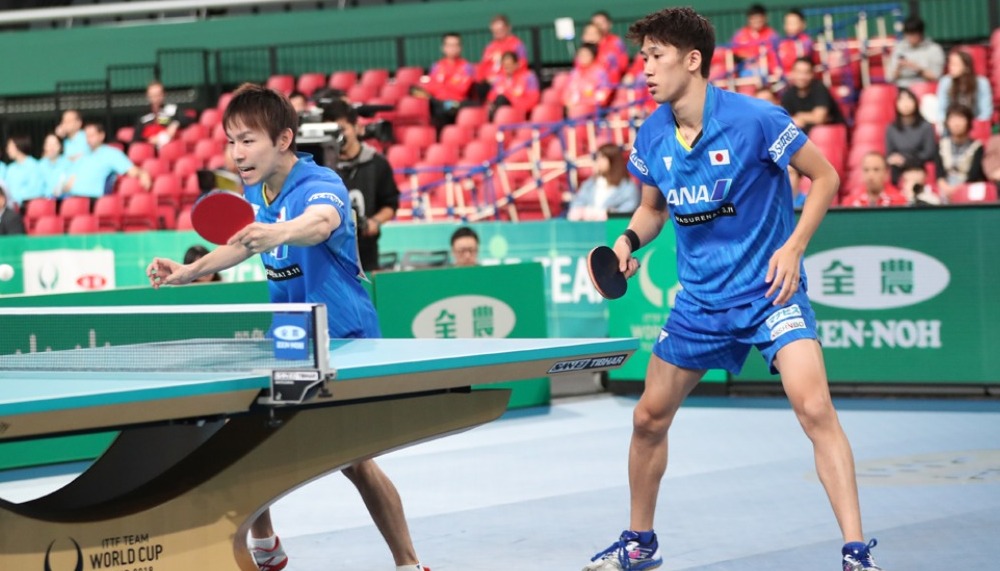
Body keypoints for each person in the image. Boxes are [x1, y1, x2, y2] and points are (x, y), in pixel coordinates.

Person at [583, 8, 884, 571]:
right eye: (643, 58)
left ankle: (855, 552)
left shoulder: (756, 119)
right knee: (648, 418)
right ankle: (639, 542)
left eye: (656, 57)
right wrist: (627, 241)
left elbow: (825, 176)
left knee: (814, 407)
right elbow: (653, 210)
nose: (645, 69)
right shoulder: (652, 133)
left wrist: (794, 246)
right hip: (699, 303)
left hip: (770, 292)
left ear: (693, 60)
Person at [146, 83, 428, 571]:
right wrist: (189, 271)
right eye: (231, 141)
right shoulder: (255, 191)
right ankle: (265, 544)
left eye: (248, 140)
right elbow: (242, 243)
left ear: (283, 139)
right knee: (245, 437)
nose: (237, 152)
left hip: (343, 339)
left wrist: (277, 231)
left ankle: (408, 563)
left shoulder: (320, 183)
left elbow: (320, 223)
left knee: (354, 460)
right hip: (293, 339)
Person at [323, 99, 400, 273]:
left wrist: (375, 222)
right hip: (326, 255)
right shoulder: (320, 167)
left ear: (357, 127)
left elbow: (390, 203)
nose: (338, 137)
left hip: (366, 255)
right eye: (331, 131)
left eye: (342, 129)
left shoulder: (377, 163)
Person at [63, 123, 151, 200]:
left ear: (101, 136)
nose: (88, 139)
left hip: (93, 199)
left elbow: (131, 170)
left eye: (92, 135)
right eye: (87, 136)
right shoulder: (82, 155)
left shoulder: (111, 153)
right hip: (72, 197)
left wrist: (143, 173)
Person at [418, 32, 476, 129]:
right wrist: (449, 83)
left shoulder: (467, 67)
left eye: (455, 45)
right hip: (439, 106)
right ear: (443, 48)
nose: (452, 48)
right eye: (449, 45)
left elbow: (462, 89)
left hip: (459, 106)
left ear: (460, 48)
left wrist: (443, 84)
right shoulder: (436, 66)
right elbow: (431, 88)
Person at [567, 143, 639, 220]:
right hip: (589, 226)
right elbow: (576, 205)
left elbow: (627, 211)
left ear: (613, 160)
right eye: (597, 157)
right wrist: (584, 213)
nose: (598, 161)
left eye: (602, 157)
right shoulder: (589, 184)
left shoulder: (628, 188)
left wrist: (607, 214)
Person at [885, 87, 937, 185]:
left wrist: (906, 160)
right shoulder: (891, 128)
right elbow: (889, 154)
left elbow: (929, 153)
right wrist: (895, 159)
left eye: (909, 99)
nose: (905, 103)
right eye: (901, 99)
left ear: (915, 102)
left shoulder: (926, 126)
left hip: (918, 166)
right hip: (897, 169)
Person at [935, 103, 986, 201]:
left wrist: (956, 190)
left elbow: (973, 175)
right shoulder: (941, 145)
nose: (957, 123)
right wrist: (946, 188)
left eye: (961, 118)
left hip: (967, 191)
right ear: (947, 122)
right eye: (953, 119)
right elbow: (939, 173)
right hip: (944, 189)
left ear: (968, 122)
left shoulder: (977, 147)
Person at [780, 56, 844, 133]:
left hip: (830, 132)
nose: (802, 77)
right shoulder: (788, 94)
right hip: (805, 135)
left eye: (806, 73)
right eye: (798, 72)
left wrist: (799, 116)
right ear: (792, 73)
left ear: (812, 74)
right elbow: (784, 120)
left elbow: (819, 118)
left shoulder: (819, 88)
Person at [474, 14, 528, 99]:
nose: (497, 33)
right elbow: (483, 66)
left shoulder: (517, 45)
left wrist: (500, 78)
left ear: (508, 28)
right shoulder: (490, 47)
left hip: (508, 83)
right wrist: (484, 79)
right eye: (495, 31)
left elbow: (522, 65)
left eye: (500, 30)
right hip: (488, 83)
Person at [936, 50, 993, 126]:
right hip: (951, 123)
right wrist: (949, 123)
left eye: (955, 64)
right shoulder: (945, 82)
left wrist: (975, 124)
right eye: (950, 63)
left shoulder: (982, 83)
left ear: (966, 67)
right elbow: (941, 108)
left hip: (974, 122)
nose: (950, 67)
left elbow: (986, 111)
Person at [134, 80, 196, 148]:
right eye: (153, 95)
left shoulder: (172, 109)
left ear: (164, 94)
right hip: (148, 147)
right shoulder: (143, 116)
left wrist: (175, 123)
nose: (156, 98)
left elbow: (189, 119)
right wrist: (149, 140)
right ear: (148, 96)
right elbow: (136, 139)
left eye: (158, 94)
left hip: (168, 147)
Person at [887, 16, 944, 88]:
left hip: (925, 88)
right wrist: (898, 68)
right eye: (908, 34)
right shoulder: (899, 48)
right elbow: (890, 78)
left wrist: (917, 69)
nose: (910, 37)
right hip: (901, 88)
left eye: (913, 34)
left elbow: (936, 76)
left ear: (921, 33)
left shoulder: (934, 49)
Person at [729, 4, 779, 77]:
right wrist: (747, 58)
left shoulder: (772, 35)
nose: (756, 21)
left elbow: (774, 56)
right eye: (753, 18)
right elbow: (733, 52)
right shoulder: (740, 35)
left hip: (767, 71)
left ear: (765, 18)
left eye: (758, 18)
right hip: (744, 70)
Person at [841, 152, 908, 207]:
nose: (870, 175)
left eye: (876, 170)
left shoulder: (899, 201)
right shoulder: (850, 202)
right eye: (866, 170)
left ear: (886, 173)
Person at [486, 51, 540, 118]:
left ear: (516, 64)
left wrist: (510, 97)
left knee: (501, 99)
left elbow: (533, 100)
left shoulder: (529, 77)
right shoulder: (499, 79)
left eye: (509, 65)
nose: (507, 68)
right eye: (505, 65)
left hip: (521, 112)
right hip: (501, 112)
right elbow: (491, 98)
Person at [563, 43, 613, 111]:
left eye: (586, 55)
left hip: (592, 109)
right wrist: (567, 101)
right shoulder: (575, 73)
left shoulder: (599, 72)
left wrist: (582, 102)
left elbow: (604, 93)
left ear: (593, 56)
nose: (583, 57)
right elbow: (567, 91)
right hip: (573, 107)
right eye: (581, 55)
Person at [3, 135, 46, 207]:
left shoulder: (33, 166)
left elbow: (36, 191)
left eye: (10, 147)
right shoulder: (10, 168)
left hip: (27, 207)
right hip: (10, 207)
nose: (7, 150)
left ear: (18, 146)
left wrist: (15, 198)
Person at [591, 11, 631, 82]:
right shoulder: (589, 43)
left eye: (602, 23)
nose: (599, 26)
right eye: (596, 24)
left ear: (609, 24)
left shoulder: (616, 42)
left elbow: (623, 65)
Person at [777, 8, 814, 75]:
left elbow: (804, 65)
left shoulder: (806, 42)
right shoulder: (781, 43)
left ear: (803, 24)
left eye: (794, 23)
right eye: (788, 23)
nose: (790, 26)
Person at [38, 133, 72, 198]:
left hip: (64, 200)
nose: (52, 147)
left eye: (55, 144)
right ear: (44, 147)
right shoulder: (40, 165)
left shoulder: (68, 163)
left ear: (60, 146)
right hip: (45, 200)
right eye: (49, 144)